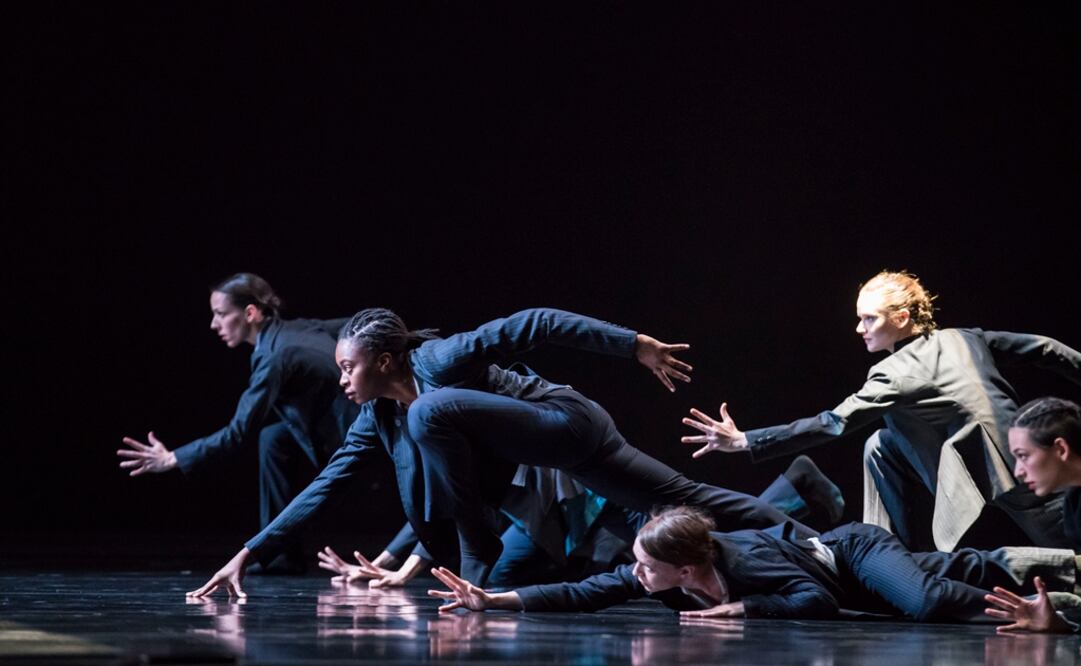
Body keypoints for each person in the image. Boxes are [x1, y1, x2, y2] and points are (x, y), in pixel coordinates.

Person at [187, 307, 821, 598]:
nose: (344, 382)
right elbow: (326, 485)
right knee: (690, 502)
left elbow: (535, 323)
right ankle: (817, 539)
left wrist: (633, 346)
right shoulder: (378, 416)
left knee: (430, 413)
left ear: (384, 360)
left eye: (350, 368)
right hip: (576, 459)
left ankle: (477, 551)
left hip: (565, 420)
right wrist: (249, 550)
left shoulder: (437, 360)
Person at [682, 270, 1081, 552]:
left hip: (1001, 467)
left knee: (1070, 547)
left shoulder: (893, 373)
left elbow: (833, 423)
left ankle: (900, 560)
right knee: (881, 443)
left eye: (869, 318)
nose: (860, 328)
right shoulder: (964, 337)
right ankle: (897, 551)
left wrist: (744, 440)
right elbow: (1046, 348)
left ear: (902, 318)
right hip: (1013, 449)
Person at [429, 506, 1080, 626]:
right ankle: (1042, 569)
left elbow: (814, 603)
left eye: (645, 567)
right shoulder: (657, 575)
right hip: (854, 578)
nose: (634, 574)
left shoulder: (744, 564)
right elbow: (580, 593)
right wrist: (495, 600)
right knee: (959, 569)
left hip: (854, 552)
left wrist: (742, 608)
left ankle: (1041, 611)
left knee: (928, 602)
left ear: (684, 569)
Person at [118, 273, 358, 573]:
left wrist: (173, 458)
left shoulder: (273, 356)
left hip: (353, 437)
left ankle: (278, 553)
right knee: (273, 438)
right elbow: (355, 323)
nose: (213, 324)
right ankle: (282, 557)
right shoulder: (298, 329)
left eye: (220, 314)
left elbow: (237, 433)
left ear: (250, 313)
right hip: (333, 424)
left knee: (269, 436)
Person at [320, 456, 845, 588]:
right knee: (504, 577)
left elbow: (449, 500)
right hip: (537, 511)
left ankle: (796, 501)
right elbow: (436, 502)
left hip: (581, 502)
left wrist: (402, 568)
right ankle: (793, 493)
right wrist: (390, 563)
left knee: (700, 542)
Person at [985, 397, 1081, 633]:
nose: (1017, 471)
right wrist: (1061, 620)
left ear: (1061, 449)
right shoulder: (1074, 503)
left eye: (1023, 455)